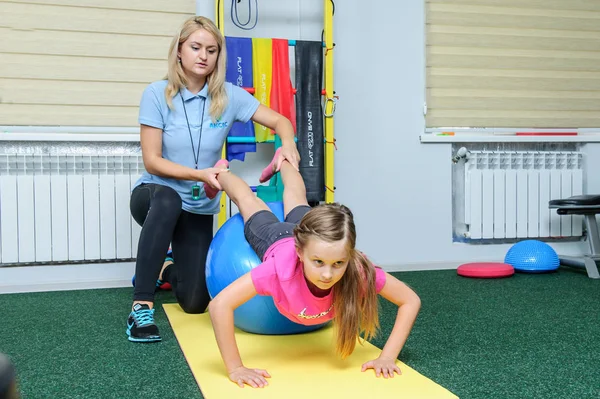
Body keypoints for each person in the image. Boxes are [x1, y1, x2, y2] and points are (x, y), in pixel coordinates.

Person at [127, 15, 300, 343]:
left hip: (198, 205)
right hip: (154, 196)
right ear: (179, 51)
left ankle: (166, 269)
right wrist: (200, 174)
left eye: (211, 49)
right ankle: (141, 305)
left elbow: (280, 121)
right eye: (195, 47)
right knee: (168, 198)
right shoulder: (157, 94)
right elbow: (152, 160)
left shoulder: (229, 97)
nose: (203, 55)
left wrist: (287, 146)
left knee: (195, 303)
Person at [208, 153, 422, 388]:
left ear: (349, 256)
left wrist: (387, 357)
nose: (328, 275)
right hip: (275, 238)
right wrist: (236, 367)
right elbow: (220, 305)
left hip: (312, 239)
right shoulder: (278, 271)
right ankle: (221, 173)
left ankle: (284, 161)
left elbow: (409, 300)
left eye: (338, 263)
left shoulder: (356, 269)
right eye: (318, 263)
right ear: (300, 252)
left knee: (298, 196)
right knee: (247, 200)